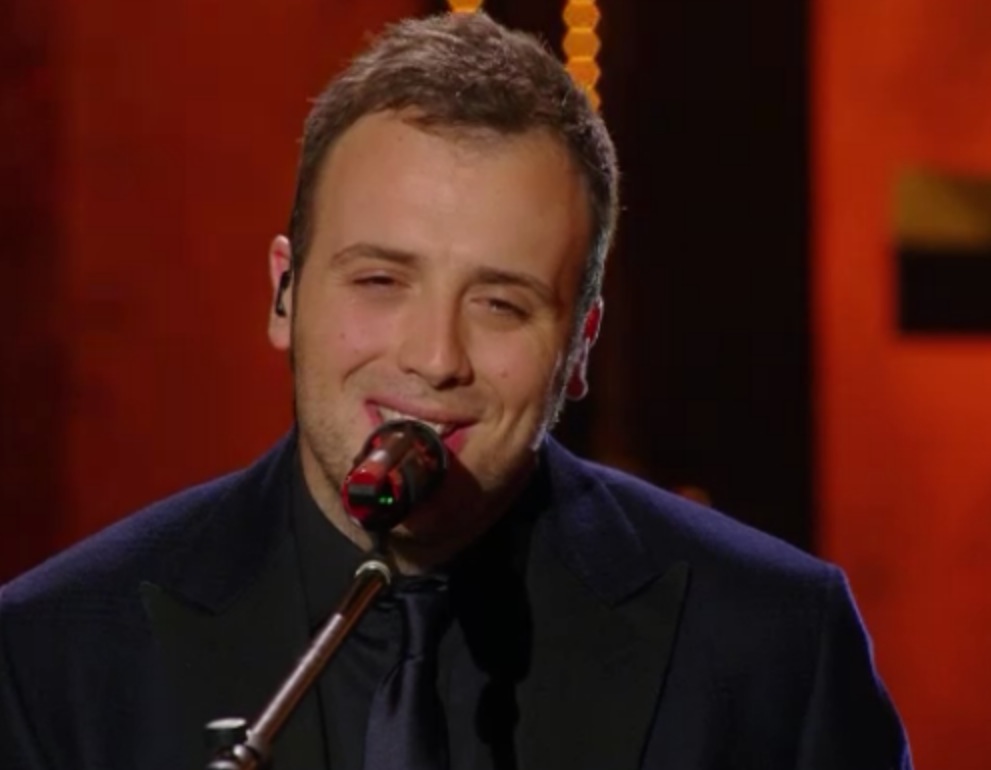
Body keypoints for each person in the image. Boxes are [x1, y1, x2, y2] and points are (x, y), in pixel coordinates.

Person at [0, 11, 912, 770]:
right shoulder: (53, 656)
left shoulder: (775, 648)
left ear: (580, 346)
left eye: (502, 304)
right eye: (380, 281)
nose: (436, 358)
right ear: (284, 294)